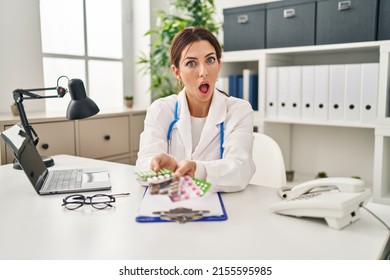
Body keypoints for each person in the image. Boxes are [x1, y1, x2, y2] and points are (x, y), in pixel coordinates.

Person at [136, 26, 255, 192]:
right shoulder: (161, 110)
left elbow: (240, 170)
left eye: (210, 60)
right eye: (191, 63)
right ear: (177, 72)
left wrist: (198, 170)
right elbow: (142, 164)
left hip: (224, 207)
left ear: (219, 65)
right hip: (172, 205)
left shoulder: (239, 111)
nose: (203, 72)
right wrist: (156, 164)